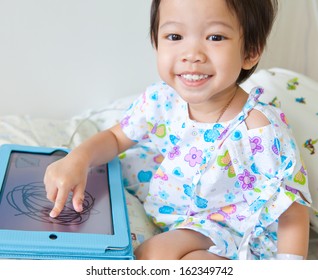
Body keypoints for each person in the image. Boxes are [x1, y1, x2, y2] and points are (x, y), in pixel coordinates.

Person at [44, 0, 312, 260]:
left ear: (250, 52)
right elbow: (115, 137)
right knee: (163, 254)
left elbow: (292, 208)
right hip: (185, 222)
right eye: (174, 36)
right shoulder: (162, 100)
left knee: (156, 254)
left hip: (239, 231)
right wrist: (78, 158)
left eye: (215, 37)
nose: (192, 54)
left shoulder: (259, 127)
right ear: (156, 42)